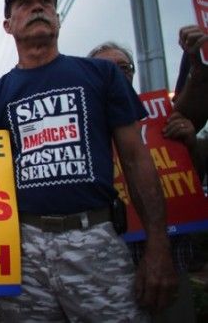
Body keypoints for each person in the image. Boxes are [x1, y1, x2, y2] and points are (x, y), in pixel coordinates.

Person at [0, 0, 177, 321]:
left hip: (95, 240)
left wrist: (158, 245)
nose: (37, 7)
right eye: (25, 3)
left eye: (45, 2)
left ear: (57, 17)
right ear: (8, 24)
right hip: (23, 251)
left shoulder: (101, 76)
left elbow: (137, 161)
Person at [90, 41, 199, 323]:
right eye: (105, 69)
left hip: (168, 263)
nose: (116, 75)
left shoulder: (161, 117)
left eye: (122, 68)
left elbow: (193, 178)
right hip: (100, 269)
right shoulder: (81, 126)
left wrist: (190, 143)